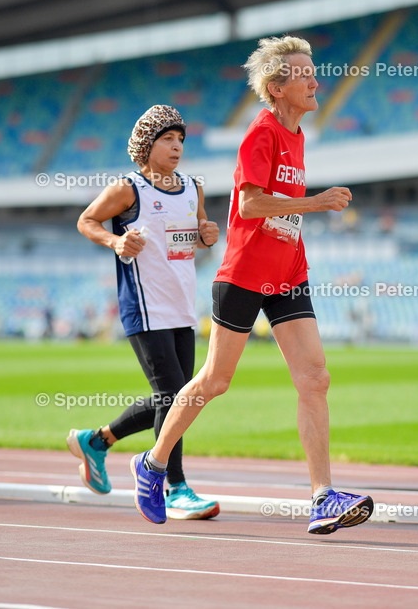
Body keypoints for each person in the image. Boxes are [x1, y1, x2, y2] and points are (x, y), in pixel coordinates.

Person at [129, 36, 374, 534]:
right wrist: (316, 202)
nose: (315, 80)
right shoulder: (260, 134)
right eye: (304, 73)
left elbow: (278, 209)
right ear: (276, 87)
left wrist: (302, 220)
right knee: (216, 380)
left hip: (288, 274)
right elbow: (249, 206)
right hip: (243, 273)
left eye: (313, 70)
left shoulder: (299, 135)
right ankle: (152, 464)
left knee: (315, 378)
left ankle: (322, 496)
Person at [68, 104, 222, 520]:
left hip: (182, 308)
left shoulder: (193, 187)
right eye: (167, 140)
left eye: (180, 140)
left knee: (176, 398)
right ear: (146, 145)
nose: (176, 147)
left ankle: (97, 441)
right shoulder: (128, 189)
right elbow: (87, 220)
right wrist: (115, 242)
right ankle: (175, 487)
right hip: (144, 307)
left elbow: (197, 232)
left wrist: (208, 234)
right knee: (174, 396)